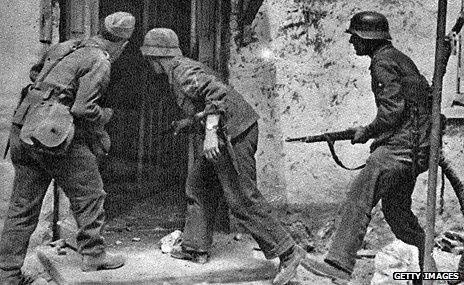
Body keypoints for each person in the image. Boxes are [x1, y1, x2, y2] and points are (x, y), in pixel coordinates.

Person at [140, 28, 306, 285]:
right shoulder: (181, 70)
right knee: (199, 186)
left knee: (241, 198)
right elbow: (206, 103)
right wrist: (189, 122)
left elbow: (217, 95)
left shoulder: (183, 72)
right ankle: (195, 248)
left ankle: (289, 251)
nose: (149, 65)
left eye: (149, 59)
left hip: (234, 134)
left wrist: (209, 134)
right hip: (227, 131)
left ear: (155, 57)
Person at [0, 11, 135, 285]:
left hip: (23, 126)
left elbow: (36, 73)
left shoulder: (67, 46)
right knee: (91, 192)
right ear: (123, 43)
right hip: (51, 134)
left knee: (22, 208)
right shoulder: (100, 60)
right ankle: (94, 255)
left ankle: (7, 274)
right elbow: (84, 108)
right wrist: (106, 117)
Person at [302, 11, 433, 284]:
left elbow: (392, 112)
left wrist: (367, 131)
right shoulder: (399, 59)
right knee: (396, 212)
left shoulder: (382, 62)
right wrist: (371, 133)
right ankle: (426, 264)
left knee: (359, 198)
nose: (352, 43)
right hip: (416, 149)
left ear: (366, 38)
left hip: (399, 149)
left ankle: (338, 264)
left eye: (355, 37)